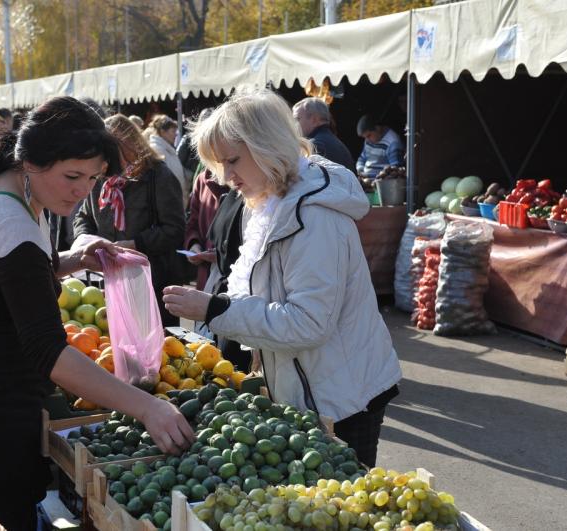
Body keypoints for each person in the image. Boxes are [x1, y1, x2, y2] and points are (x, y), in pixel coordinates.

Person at [0, 97, 194, 531]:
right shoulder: (11, 220)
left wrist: (71, 260)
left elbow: (7, 275)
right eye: (72, 176)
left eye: (93, 178)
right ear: (32, 161)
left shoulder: (11, 188)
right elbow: (49, 352)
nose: (83, 190)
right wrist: (147, 407)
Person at [162, 90, 401, 467]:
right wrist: (220, 310)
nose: (226, 177)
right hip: (308, 390)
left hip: (344, 397)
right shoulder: (266, 204)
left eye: (233, 161)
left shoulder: (314, 217)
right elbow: (248, 287)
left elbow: (308, 323)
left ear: (266, 145)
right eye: (219, 164)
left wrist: (214, 309)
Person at [73, 114, 185, 327]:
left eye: (109, 155)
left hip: (150, 282)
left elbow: (175, 229)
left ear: (127, 147)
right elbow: (83, 216)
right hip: (108, 281)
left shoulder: (158, 176)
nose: (105, 164)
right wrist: (86, 241)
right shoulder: (100, 180)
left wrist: (135, 244)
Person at [184, 168, 229, 292]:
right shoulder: (202, 179)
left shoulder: (242, 180)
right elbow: (192, 222)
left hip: (233, 279)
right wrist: (194, 245)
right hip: (206, 276)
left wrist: (224, 254)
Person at [292, 97, 355, 173]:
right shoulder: (336, 143)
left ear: (314, 119)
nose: (294, 124)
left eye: (297, 119)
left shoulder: (315, 145)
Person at [145, 114, 187, 206]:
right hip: (167, 205)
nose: (176, 134)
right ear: (163, 132)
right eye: (173, 131)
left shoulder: (168, 150)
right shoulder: (157, 150)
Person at [178, 108, 214, 183]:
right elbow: (179, 157)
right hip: (189, 175)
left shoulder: (214, 137)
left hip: (202, 173)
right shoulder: (190, 137)